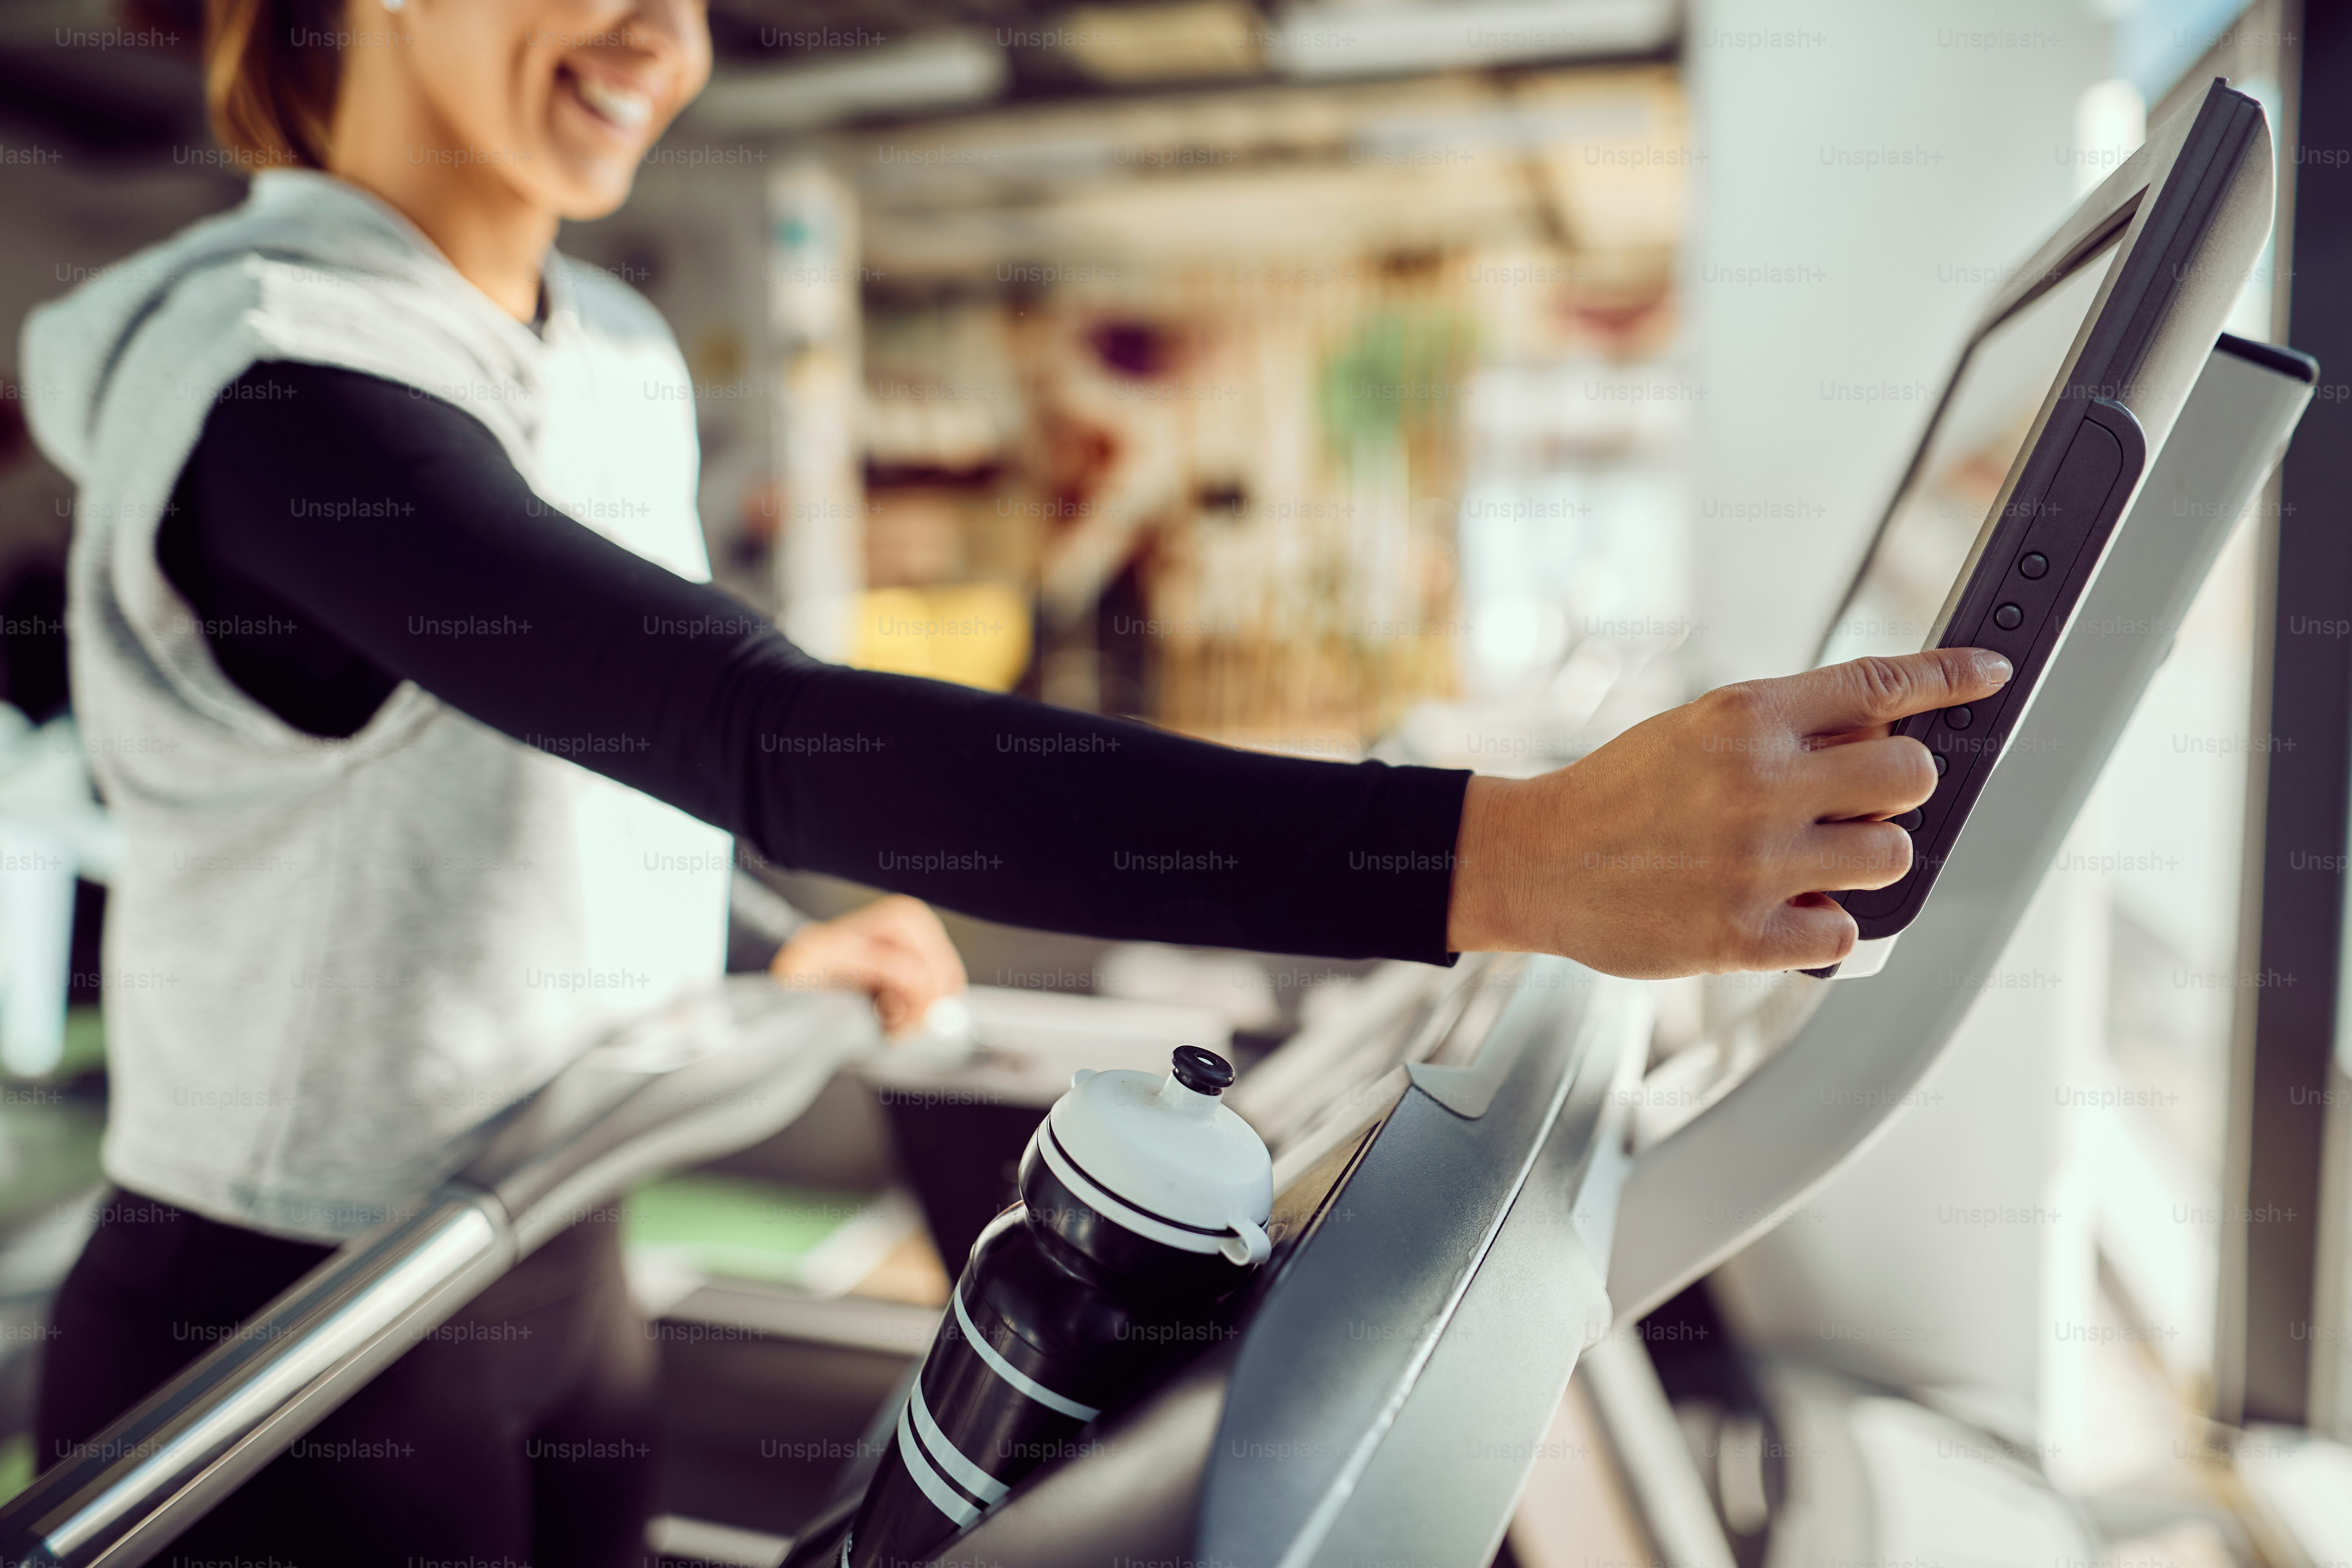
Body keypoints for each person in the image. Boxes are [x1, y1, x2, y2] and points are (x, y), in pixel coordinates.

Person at [17, 1, 2010, 1562]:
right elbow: (757, 734)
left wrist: (731, 941)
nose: (660, 39)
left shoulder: (600, 344)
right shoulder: (274, 390)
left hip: (569, 1232)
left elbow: (532, 750)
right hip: (291, 1321)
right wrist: (1508, 850)